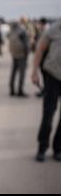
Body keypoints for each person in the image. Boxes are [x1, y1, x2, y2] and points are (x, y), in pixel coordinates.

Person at [31, 20, 61, 162]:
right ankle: (42, 147)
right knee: (48, 113)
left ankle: (58, 148)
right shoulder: (54, 29)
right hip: (53, 76)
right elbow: (40, 50)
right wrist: (34, 72)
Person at [8, 19, 30, 97]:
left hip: (14, 55)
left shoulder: (11, 31)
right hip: (22, 55)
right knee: (22, 74)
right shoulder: (22, 32)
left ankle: (12, 90)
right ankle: (20, 91)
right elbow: (26, 45)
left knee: (13, 73)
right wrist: (27, 54)